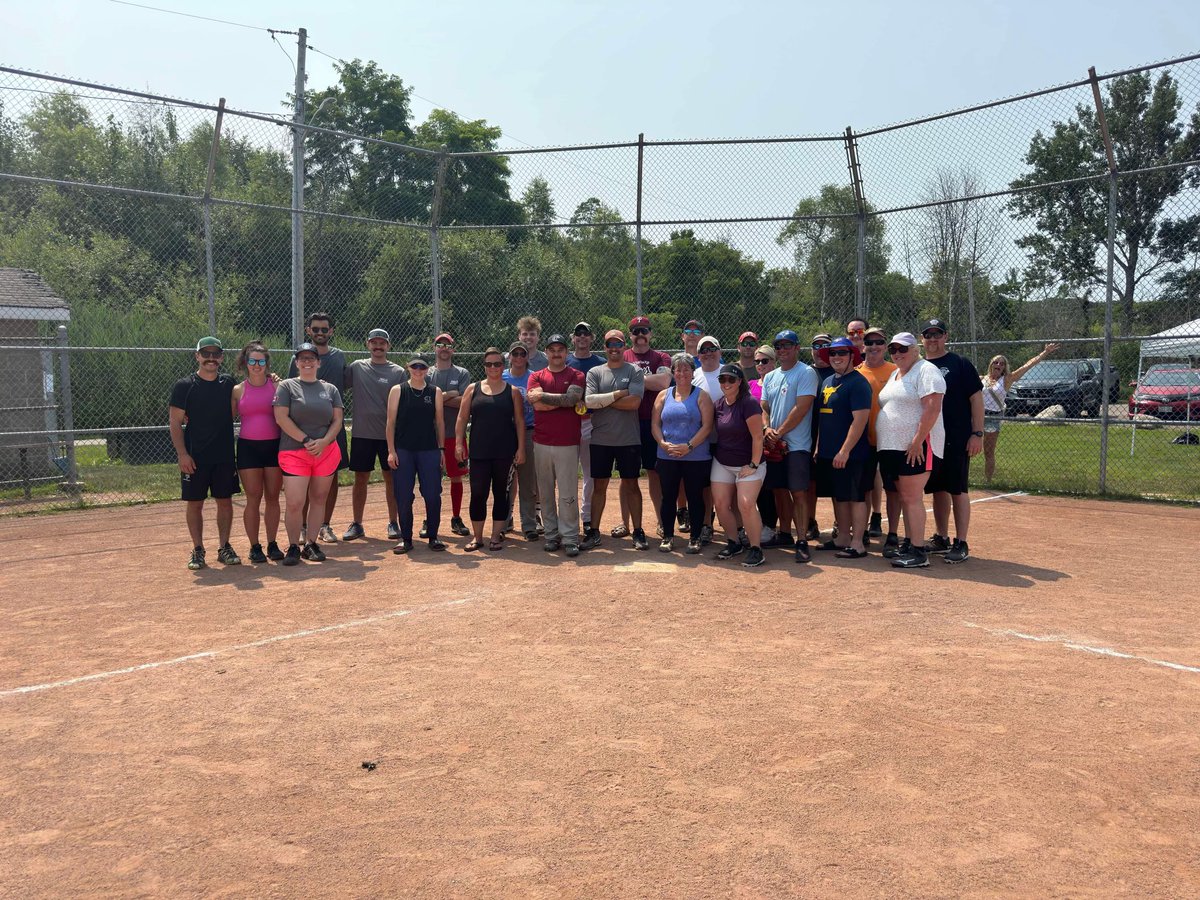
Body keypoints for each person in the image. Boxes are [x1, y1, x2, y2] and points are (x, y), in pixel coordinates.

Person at [169, 337, 240, 570]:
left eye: (215, 354)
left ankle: (224, 547)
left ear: (221, 357)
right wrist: (182, 454)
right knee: (195, 503)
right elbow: (175, 423)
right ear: (197, 356)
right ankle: (198, 549)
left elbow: (235, 409)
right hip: (195, 456)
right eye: (206, 353)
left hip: (224, 455)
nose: (211, 358)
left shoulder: (229, 383)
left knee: (225, 501)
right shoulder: (184, 386)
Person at [876, 332, 945, 570]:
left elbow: (933, 406)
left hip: (914, 447)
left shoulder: (926, 370)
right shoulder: (896, 374)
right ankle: (909, 543)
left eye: (903, 349)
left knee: (912, 498)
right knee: (904, 497)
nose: (897, 354)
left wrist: (918, 440)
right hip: (892, 447)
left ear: (916, 350)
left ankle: (918, 551)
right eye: (893, 350)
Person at [274, 342, 344, 566]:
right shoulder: (286, 386)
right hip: (295, 451)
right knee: (295, 502)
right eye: (302, 358)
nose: (307, 362)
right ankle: (294, 545)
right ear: (296, 362)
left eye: (311, 358)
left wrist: (324, 441)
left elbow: (337, 420)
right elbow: (281, 418)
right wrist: (305, 440)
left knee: (318, 499)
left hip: (325, 450)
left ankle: (311, 544)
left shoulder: (329, 389)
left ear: (318, 362)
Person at [919, 318, 983, 564]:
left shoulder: (959, 363)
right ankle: (942, 537)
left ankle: (961, 541)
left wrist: (977, 433)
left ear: (946, 336)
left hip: (956, 437)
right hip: (930, 438)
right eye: (928, 334)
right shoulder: (919, 366)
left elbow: (976, 399)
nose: (933, 339)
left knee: (958, 489)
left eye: (938, 334)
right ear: (922, 338)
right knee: (938, 489)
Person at [581, 330, 646, 551]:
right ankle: (594, 532)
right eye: (610, 344)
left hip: (628, 439)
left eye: (618, 343)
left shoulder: (634, 371)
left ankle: (638, 531)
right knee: (598, 486)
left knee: (631, 485)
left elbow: (634, 403)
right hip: (601, 439)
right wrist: (618, 394)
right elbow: (589, 401)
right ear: (605, 346)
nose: (614, 348)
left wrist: (603, 400)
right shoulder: (595, 372)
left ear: (623, 345)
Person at [455, 348, 525, 552]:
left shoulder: (512, 392)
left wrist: (521, 448)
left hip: (505, 452)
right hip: (479, 452)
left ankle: (495, 536)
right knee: (478, 493)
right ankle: (478, 537)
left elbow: (520, 422)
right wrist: (459, 443)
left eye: (497, 364)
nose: (493, 367)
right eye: (489, 364)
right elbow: (461, 417)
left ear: (503, 366)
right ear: (484, 367)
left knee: (501, 493)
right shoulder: (472, 389)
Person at [342, 328, 407, 542]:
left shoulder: (397, 371)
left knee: (391, 478)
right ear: (367, 344)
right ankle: (357, 523)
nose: (378, 346)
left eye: (382, 343)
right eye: (374, 342)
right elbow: (337, 383)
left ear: (388, 346)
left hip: (390, 435)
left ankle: (393, 522)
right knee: (361, 478)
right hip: (362, 433)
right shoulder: (357, 367)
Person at [287, 311, 347, 545]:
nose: (320, 333)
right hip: (304, 431)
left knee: (330, 479)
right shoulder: (301, 358)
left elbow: (348, 383)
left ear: (331, 331)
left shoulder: (340, 356)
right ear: (309, 331)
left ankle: (325, 525)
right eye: (316, 329)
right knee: (302, 480)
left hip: (332, 428)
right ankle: (302, 527)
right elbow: (289, 387)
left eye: (324, 329)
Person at [760, 330, 820, 563]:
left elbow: (802, 407)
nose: (783, 349)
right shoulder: (771, 376)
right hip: (775, 443)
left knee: (798, 492)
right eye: (779, 346)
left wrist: (779, 433)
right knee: (778, 490)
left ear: (797, 348)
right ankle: (784, 533)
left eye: (788, 345)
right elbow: (764, 407)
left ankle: (802, 540)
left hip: (797, 445)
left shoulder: (806, 373)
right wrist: (767, 430)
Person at [527, 334, 586, 557]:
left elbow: (572, 400)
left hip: (567, 442)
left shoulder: (576, 374)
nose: (556, 353)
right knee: (545, 491)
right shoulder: (537, 376)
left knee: (568, 492)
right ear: (547, 352)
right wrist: (561, 401)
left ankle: (570, 537)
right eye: (552, 349)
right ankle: (551, 535)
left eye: (560, 349)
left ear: (566, 352)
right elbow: (537, 405)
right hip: (542, 441)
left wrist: (546, 397)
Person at [813, 338, 872, 559]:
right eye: (833, 353)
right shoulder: (828, 380)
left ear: (851, 356)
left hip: (851, 454)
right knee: (838, 496)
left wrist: (845, 450)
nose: (836, 357)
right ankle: (843, 538)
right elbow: (822, 418)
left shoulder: (858, 383)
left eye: (842, 353)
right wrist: (819, 445)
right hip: (828, 451)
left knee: (855, 497)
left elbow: (860, 421)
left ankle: (858, 543)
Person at [651, 353, 713, 554]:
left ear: (692, 372)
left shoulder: (701, 395)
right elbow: (655, 424)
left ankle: (695, 537)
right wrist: (662, 443)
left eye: (686, 369)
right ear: (673, 372)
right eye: (678, 369)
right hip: (667, 455)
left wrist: (689, 446)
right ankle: (668, 536)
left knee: (695, 496)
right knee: (668, 496)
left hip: (695, 456)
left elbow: (707, 426)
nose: (682, 373)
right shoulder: (664, 395)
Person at [385, 355, 446, 554]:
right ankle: (406, 538)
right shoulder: (398, 390)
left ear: (428, 369)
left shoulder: (434, 391)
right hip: (404, 450)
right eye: (414, 367)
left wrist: (442, 450)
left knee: (432, 494)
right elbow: (390, 422)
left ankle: (433, 536)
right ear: (408, 368)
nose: (418, 370)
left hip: (428, 449)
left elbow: (439, 422)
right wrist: (391, 451)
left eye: (422, 367)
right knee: (403, 495)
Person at [231, 341, 283, 564]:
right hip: (248, 448)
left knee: (273, 497)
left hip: (273, 446)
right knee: (253, 497)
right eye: (252, 360)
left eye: (261, 361)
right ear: (245, 362)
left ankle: (272, 543)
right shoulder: (238, 390)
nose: (257, 365)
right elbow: (226, 418)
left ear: (267, 363)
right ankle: (254, 546)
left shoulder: (278, 386)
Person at [710, 364, 766, 568]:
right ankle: (734, 542)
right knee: (721, 504)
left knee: (745, 504)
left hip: (749, 462)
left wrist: (753, 463)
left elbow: (758, 437)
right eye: (722, 380)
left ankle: (755, 548)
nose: (726, 383)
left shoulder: (749, 403)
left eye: (731, 379)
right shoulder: (718, 405)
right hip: (723, 461)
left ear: (739, 382)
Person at [981, 343, 1060, 482]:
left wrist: (1044, 353)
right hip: (978, 416)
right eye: (996, 362)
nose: (998, 364)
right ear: (991, 364)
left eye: (1002, 363)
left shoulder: (1007, 379)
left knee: (988, 452)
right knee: (967, 449)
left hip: (993, 417)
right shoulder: (982, 379)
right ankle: (963, 480)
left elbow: (1028, 365)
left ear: (1004, 367)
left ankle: (988, 480)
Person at [623, 315, 673, 536]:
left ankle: (662, 522)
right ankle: (625, 524)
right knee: (628, 475)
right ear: (630, 335)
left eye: (644, 330)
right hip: (627, 422)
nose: (640, 335)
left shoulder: (661, 357)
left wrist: (631, 380)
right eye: (636, 331)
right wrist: (645, 380)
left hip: (654, 421)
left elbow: (663, 382)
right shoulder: (623, 355)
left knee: (655, 473)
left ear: (651, 333)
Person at [856, 326, 902, 557]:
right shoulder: (856, 372)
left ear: (885, 346)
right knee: (863, 487)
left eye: (878, 342)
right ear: (863, 346)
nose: (873, 347)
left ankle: (892, 533)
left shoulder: (896, 371)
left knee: (893, 489)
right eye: (869, 342)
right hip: (863, 440)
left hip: (891, 440)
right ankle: (862, 530)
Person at [428, 332, 472, 536]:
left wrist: (436, 398)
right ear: (434, 348)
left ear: (452, 349)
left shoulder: (461, 373)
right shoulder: (426, 373)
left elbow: (464, 403)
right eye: (440, 344)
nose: (444, 348)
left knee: (456, 478)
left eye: (448, 345)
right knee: (431, 480)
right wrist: (450, 395)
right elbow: (423, 403)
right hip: (430, 435)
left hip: (455, 434)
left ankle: (456, 518)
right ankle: (429, 519)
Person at [566, 322, 605, 533]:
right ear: (573, 338)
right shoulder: (565, 361)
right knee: (567, 474)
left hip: (592, 422)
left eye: (586, 334)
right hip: (568, 423)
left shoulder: (600, 363)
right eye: (578, 333)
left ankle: (587, 517)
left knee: (590, 474)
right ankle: (568, 520)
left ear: (592, 338)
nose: (582, 337)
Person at [846, 317, 882, 538]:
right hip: (861, 432)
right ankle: (854, 520)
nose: (856, 336)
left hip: (882, 432)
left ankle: (876, 515)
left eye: (859, 332)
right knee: (863, 480)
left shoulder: (879, 358)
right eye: (852, 333)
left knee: (876, 477)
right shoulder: (854, 363)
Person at [503, 341, 539, 540]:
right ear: (509, 356)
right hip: (505, 432)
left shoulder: (534, 377)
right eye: (514, 353)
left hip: (528, 431)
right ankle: (504, 519)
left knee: (527, 480)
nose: (518, 357)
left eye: (522, 354)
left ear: (527, 357)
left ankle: (529, 524)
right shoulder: (501, 376)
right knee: (504, 480)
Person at [749, 345, 781, 546]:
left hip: (774, 438)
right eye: (758, 361)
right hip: (754, 441)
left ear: (773, 362)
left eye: (765, 361)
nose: (761, 365)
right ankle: (761, 524)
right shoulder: (750, 384)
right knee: (758, 486)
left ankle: (771, 525)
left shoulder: (778, 380)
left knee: (773, 487)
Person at [806, 331, 835, 541]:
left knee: (836, 483)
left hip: (833, 434)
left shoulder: (839, 372)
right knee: (810, 482)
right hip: (809, 434)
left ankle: (840, 524)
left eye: (824, 346)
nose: (820, 350)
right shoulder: (807, 373)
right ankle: (810, 522)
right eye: (816, 346)